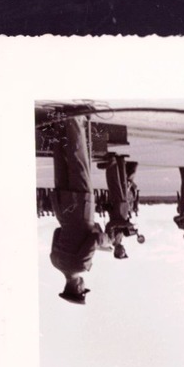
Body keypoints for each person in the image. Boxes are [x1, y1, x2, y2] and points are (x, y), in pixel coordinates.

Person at [45, 112, 109, 304]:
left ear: (77, 288)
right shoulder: (55, 262)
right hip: (62, 210)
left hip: (81, 210)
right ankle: (58, 124)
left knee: (78, 163)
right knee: (61, 164)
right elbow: (57, 233)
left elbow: (96, 238)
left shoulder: (81, 266)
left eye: (82, 289)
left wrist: (107, 242)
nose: (84, 286)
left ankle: (74, 120)